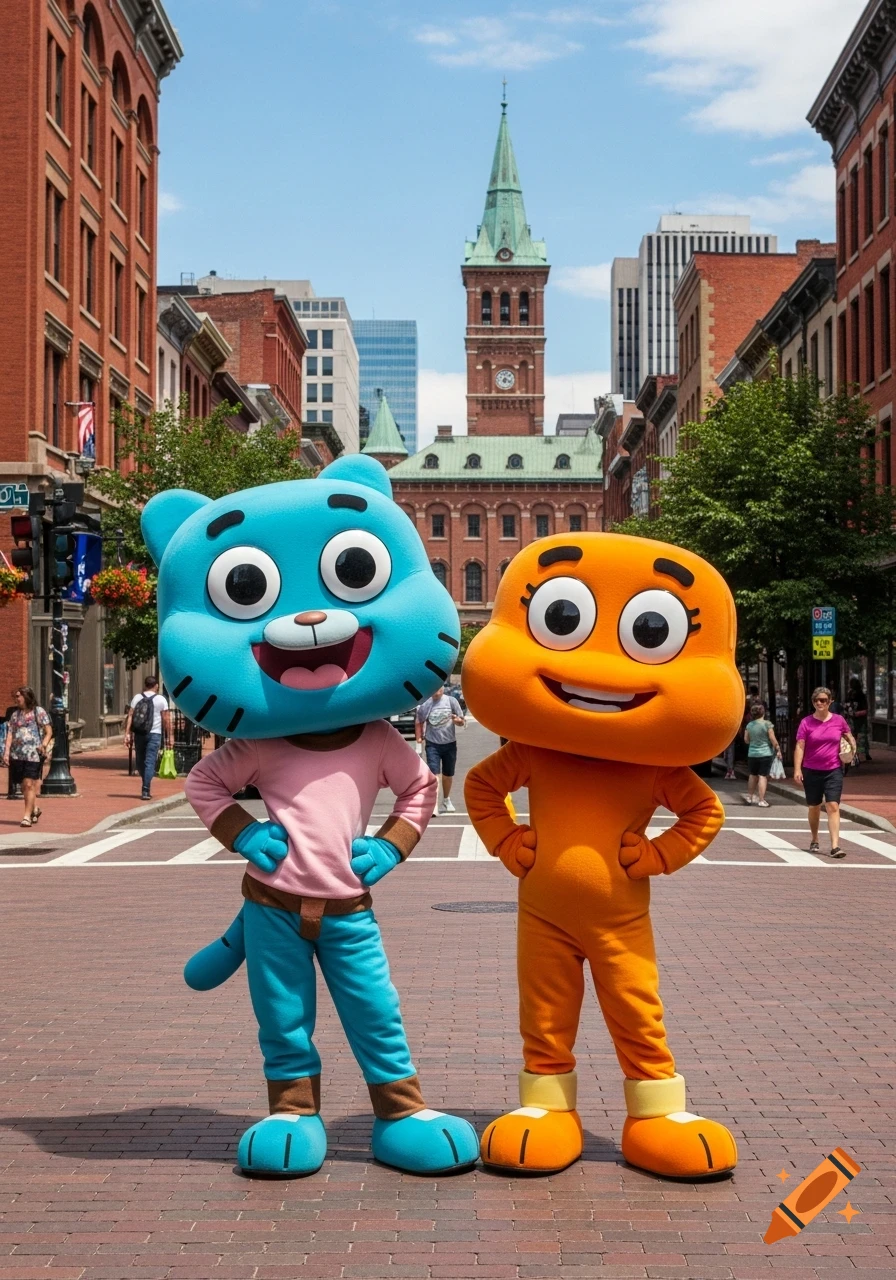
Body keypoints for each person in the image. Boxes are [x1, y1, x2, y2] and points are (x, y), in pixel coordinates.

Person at [793, 687, 856, 859]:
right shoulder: (806, 722)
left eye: (823, 700)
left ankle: (835, 846)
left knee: (833, 805)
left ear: (830, 702)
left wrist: (852, 750)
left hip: (833, 769)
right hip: (811, 770)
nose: (819, 703)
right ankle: (814, 838)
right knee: (814, 807)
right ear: (813, 702)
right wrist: (798, 769)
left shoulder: (839, 720)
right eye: (816, 700)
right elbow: (800, 746)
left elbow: (849, 736)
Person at [2, 686, 52, 827]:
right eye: (16, 696)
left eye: (19, 696)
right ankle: (34, 809)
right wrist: (6, 753)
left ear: (26, 697)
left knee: (29, 784)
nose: (16, 699)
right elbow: (10, 734)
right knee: (23, 785)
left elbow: (48, 731)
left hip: (33, 755)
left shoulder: (38, 711)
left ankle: (26, 816)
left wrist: (44, 744)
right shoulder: (15, 714)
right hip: (16, 755)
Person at [415, 684, 465, 814]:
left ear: (443, 689)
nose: (436, 691)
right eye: (433, 688)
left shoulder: (451, 701)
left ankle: (446, 800)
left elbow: (462, 721)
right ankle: (434, 806)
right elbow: (419, 720)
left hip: (449, 744)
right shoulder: (426, 704)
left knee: (448, 775)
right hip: (433, 744)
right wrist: (419, 738)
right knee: (434, 775)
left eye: (438, 688)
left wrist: (457, 721)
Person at [124, 675, 172, 800]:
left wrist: (127, 734)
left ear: (145, 685)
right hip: (155, 734)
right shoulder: (161, 700)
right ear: (156, 686)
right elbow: (166, 719)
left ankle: (145, 781)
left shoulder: (137, 698)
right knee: (150, 761)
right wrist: (169, 736)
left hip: (139, 733)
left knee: (140, 760)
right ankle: (146, 789)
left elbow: (130, 716)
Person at [743, 703, 781, 807]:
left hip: (752, 754)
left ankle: (749, 797)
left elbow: (746, 740)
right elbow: (772, 739)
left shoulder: (749, 725)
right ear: (763, 712)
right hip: (765, 753)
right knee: (762, 776)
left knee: (752, 775)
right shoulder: (767, 724)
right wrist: (777, 748)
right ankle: (761, 800)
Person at [845, 676, 871, 764]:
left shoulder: (852, 694)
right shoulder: (860, 694)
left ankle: (856, 755)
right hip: (859, 719)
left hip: (854, 718)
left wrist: (851, 713)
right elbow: (865, 708)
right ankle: (862, 754)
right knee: (861, 738)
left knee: (854, 737)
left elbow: (846, 705)